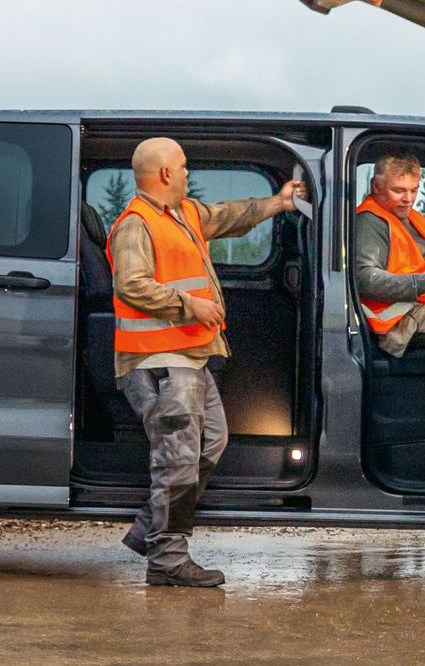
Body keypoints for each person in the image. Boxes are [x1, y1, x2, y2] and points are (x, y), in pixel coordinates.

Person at [107, 137, 309, 587]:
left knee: (210, 443)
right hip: (157, 362)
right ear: (163, 174)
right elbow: (130, 285)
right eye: (181, 167)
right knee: (177, 460)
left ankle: (151, 527)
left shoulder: (183, 214)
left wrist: (278, 202)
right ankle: (167, 559)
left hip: (189, 358)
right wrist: (190, 306)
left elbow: (229, 216)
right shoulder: (135, 225)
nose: (185, 173)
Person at [351, 153, 425, 355]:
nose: (408, 199)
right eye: (398, 191)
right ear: (376, 186)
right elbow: (364, 279)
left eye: (414, 190)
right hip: (402, 318)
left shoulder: (411, 217)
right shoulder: (369, 222)